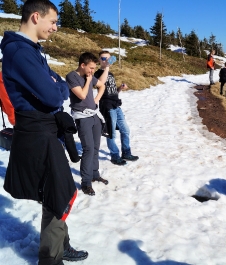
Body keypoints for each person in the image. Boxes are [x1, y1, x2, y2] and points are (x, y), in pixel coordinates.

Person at [0, 0, 88, 264]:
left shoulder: (31, 50)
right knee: (55, 193)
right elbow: (53, 95)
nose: (55, 28)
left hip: (46, 130)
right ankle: (51, 258)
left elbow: (59, 84)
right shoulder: (20, 52)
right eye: (53, 21)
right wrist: (55, 87)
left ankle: (61, 246)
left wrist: (56, 86)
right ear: (36, 17)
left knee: (58, 191)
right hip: (37, 131)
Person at [66, 52, 108, 196]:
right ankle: (86, 182)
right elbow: (82, 95)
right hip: (82, 117)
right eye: (90, 68)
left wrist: (96, 99)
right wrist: (89, 81)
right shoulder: (72, 77)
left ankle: (95, 174)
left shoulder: (88, 76)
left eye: (93, 68)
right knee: (88, 148)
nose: (92, 71)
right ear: (82, 65)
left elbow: (102, 86)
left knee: (96, 147)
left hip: (94, 115)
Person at [94, 50, 139, 165]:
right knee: (110, 132)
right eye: (103, 59)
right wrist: (107, 67)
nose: (106, 61)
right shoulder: (98, 73)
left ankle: (126, 153)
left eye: (108, 58)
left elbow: (112, 91)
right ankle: (114, 156)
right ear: (99, 60)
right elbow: (100, 83)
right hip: (107, 106)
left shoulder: (111, 74)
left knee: (125, 130)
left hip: (116, 104)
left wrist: (120, 88)